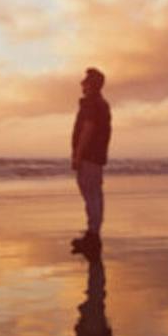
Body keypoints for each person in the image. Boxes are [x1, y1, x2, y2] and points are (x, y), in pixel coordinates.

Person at [70, 67, 111, 252]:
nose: (81, 83)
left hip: (90, 156)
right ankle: (93, 233)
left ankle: (93, 236)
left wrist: (78, 155)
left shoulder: (91, 103)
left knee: (91, 195)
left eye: (85, 81)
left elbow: (88, 129)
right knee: (94, 195)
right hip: (97, 156)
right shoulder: (101, 103)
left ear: (91, 85)